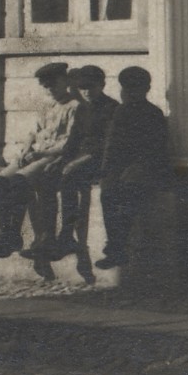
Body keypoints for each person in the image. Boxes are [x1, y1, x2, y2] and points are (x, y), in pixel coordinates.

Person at [0, 62, 80, 260]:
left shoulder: (74, 107)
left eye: (53, 85)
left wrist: (37, 155)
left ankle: (34, 237)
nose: (50, 90)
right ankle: (7, 235)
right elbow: (34, 131)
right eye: (46, 86)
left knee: (20, 180)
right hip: (36, 152)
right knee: (2, 179)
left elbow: (68, 143)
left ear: (65, 81)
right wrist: (26, 147)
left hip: (53, 155)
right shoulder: (46, 105)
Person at [39, 65, 119, 273]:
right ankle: (48, 238)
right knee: (48, 176)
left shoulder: (111, 108)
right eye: (82, 88)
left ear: (102, 85)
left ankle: (67, 236)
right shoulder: (83, 108)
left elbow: (106, 144)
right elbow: (73, 140)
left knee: (69, 178)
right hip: (80, 158)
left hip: (101, 160)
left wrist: (75, 162)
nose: (85, 92)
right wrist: (62, 159)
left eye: (90, 87)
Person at [95, 66, 171, 270]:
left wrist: (137, 167)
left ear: (145, 89)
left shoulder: (153, 113)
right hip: (122, 168)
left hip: (145, 168)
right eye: (126, 89)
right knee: (107, 193)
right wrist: (107, 172)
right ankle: (115, 248)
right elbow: (112, 146)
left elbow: (156, 149)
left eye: (134, 89)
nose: (128, 93)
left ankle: (117, 249)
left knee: (130, 193)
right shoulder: (120, 111)